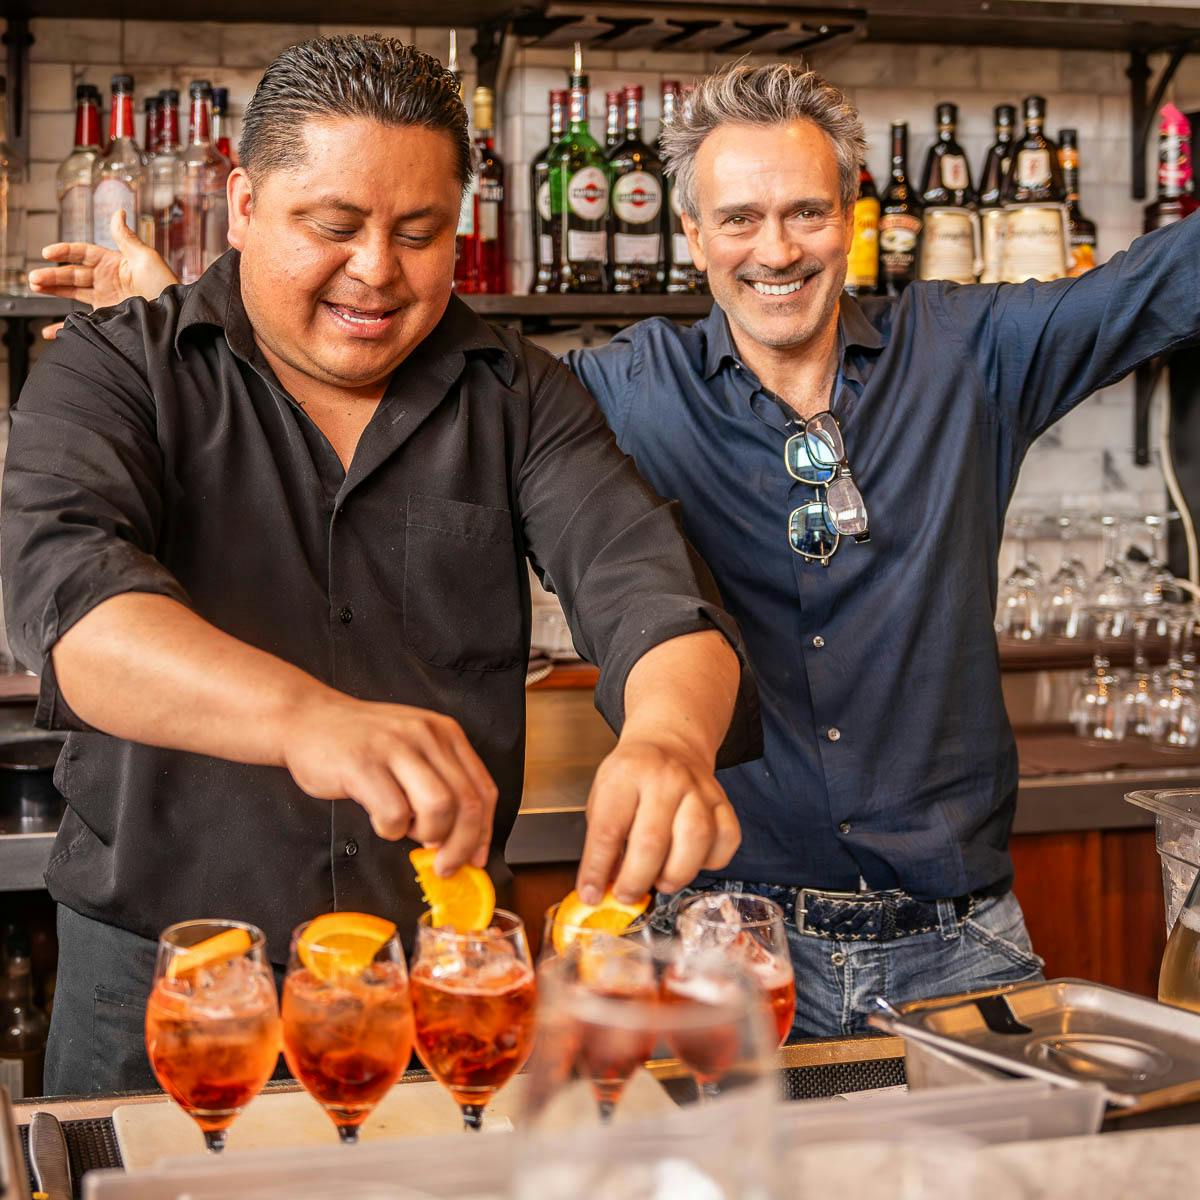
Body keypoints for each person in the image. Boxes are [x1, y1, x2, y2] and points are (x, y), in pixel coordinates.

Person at [39, 61, 1197, 1040]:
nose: (775, 249)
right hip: (675, 939)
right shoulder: (601, 385)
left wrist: (665, 734)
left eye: (806, 212)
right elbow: (84, 589)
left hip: (930, 943)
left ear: (852, 215)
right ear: (689, 235)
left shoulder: (961, 356)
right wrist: (192, 305)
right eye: (737, 217)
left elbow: (649, 594)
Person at [3, 36, 760, 1095]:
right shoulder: (117, 367)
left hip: (434, 986)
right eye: (336, 226)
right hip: (168, 986)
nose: (377, 272)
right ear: (246, 202)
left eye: (419, 234)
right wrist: (305, 717)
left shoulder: (519, 395)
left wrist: (673, 738)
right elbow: (74, 612)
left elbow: (649, 587)